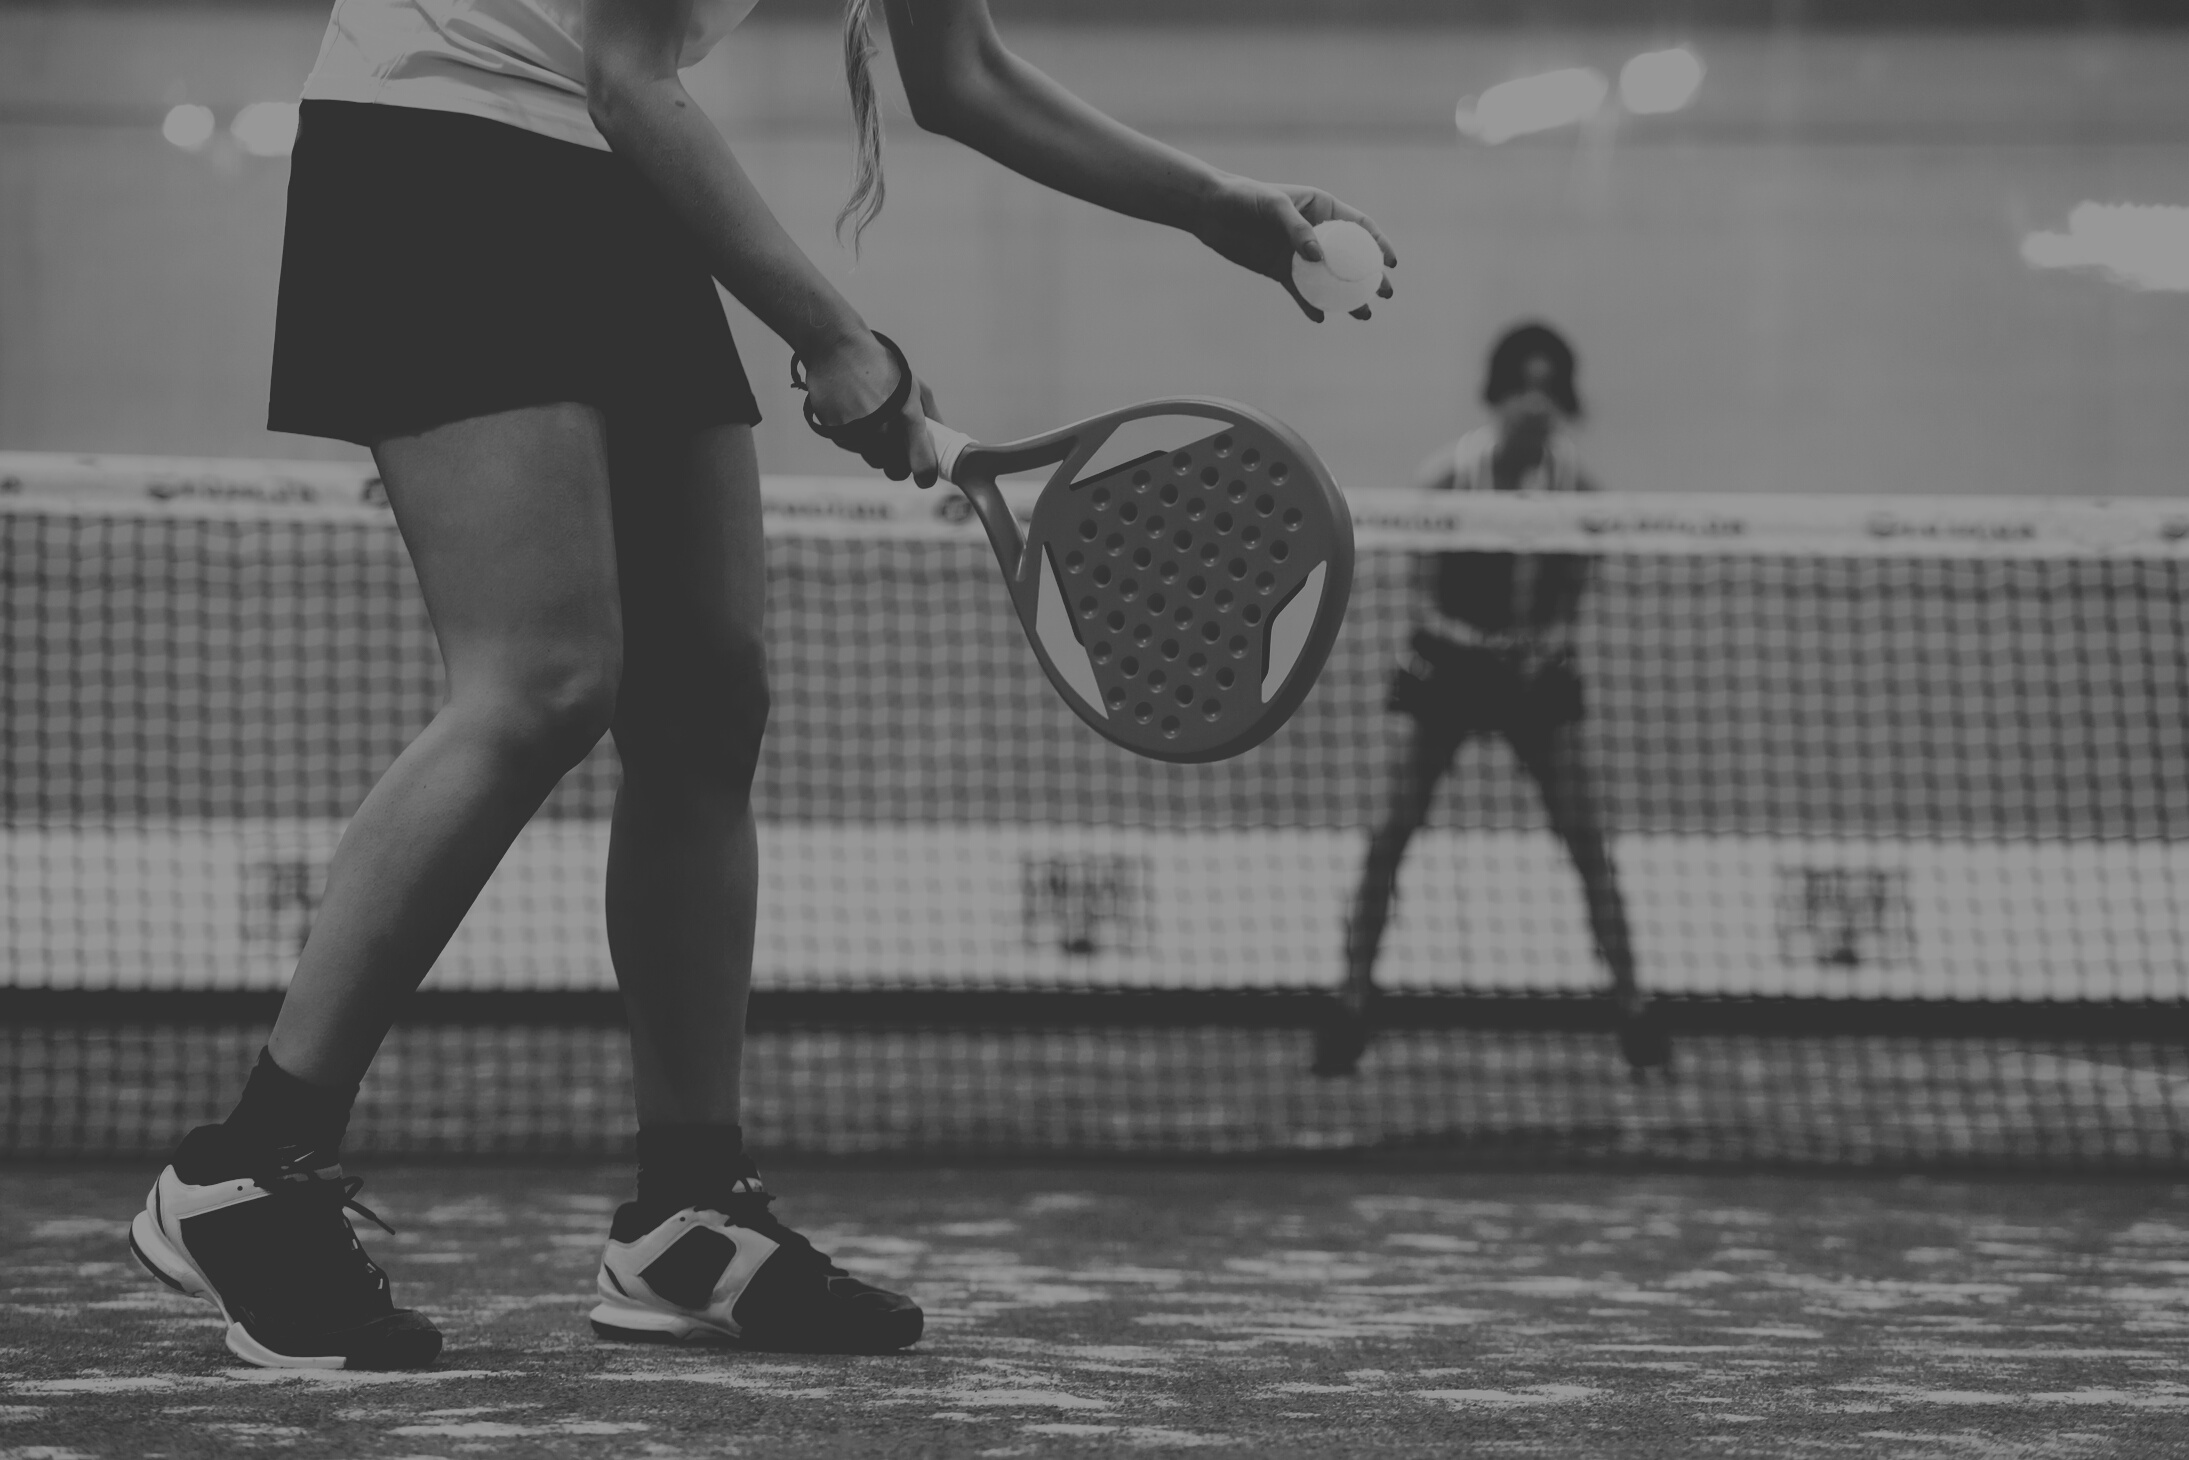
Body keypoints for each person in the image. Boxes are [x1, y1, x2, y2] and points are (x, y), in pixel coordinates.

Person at [125, 0, 1393, 1369]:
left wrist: (1216, 204)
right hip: (440, 143)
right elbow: (623, 72)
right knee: (546, 678)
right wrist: (838, 334)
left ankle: (687, 1223)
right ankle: (247, 1170)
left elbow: (961, 77)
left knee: (706, 703)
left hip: (615, 174)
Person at [1313, 323, 1669, 1080]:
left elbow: (1575, 590)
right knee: (1388, 837)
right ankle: (1347, 1005)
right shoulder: (1447, 478)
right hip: (1449, 669)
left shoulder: (1577, 490)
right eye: (1521, 386)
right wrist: (1473, 645)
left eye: (1548, 388)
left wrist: (1542, 645)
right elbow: (1422, 589)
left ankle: (1635, 1012)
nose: (1534, 403)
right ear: (1498, 394)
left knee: (1586, 843)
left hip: (1536, 679)